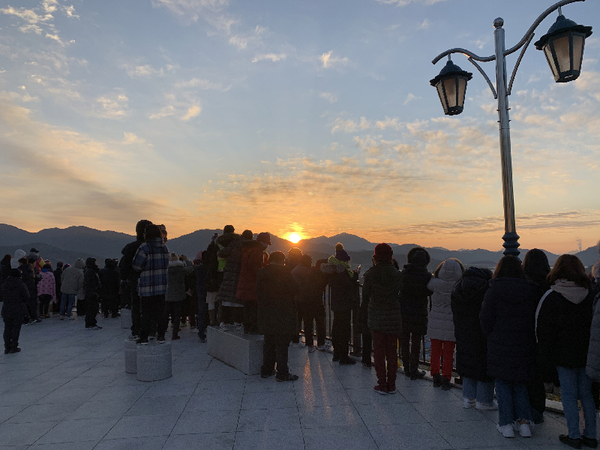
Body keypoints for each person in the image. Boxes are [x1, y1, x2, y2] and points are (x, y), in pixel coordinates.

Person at [537, 254, 597, 449]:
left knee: (569, 396)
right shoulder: (591, 295)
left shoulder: (552, 296)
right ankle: (590, 434)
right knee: (586, 395)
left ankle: (573, 435)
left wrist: (547, 358)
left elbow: (543, 331)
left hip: (562, 355)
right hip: (587, 354)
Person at [480, 256, 539, 438]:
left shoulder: (494, 290)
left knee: (503, 383)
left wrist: (492, 336)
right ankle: (524, 424)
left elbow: (485, 319)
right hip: (524, 342)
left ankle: (506, 424)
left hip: (500, 342)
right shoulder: (531, 291)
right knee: (520, 383)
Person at [452, 266, 496, 409]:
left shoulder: (457, 289)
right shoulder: (486, 289)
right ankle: (484, 400)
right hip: (482, 332)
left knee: (467, 362)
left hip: (462, 331)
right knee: (483, 365)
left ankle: (468, 398)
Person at [362, 243, 402, 395]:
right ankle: (392, 385)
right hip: (393, 316)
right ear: (391, 256)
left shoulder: (371, 274)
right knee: (392, 351)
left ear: (375, 256)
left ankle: (382, 384)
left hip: (377, 316)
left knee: (378, 351)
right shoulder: (398, 274)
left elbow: (366, 295)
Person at [257, 251, 299, 382]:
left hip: (265, 312)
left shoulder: (261, 273)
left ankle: (266, 370)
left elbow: (258, 292)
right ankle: (282, 373)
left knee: (268, 342)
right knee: (282, 343)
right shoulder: (285, 273)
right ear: (282, 260)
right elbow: (295, 289)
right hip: (283, 312)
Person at [522, 248, 552, 424]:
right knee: (537, 375)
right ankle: (538, 410)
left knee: (525, 374)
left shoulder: (524, 283)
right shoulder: (549, 284)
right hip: (544, 337)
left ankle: (526, 410)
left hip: (525, 334)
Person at [428, 258, 464, 390]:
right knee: (448, 352)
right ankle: (446, 377)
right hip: (451, 322)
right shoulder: (459, 285)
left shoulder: (435, 283)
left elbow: (428, 286)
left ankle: (435, 374)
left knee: (435, 351)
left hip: (435, 321)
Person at [321, 243, 360, 365]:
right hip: (344, 305)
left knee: (337, 329)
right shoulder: (342, 273)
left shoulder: (334, 271)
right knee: (344, 331)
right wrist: (356, 275)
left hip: (336, 304)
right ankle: (344, 357)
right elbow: (347, 285)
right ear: (343, 262)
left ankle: (337, 354)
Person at [132, 224, 170, 344]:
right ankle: (161, 335)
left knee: (146, 312)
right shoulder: (164, 248)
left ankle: (144, 337)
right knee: (161, 311)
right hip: (161, 286)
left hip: (147, 286)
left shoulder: (144, 247)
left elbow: (136, 266)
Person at [399, 247, 432, 379]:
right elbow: (429, 292)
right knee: (416, 341)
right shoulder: (427, 277)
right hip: (419, 313)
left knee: (405, 340)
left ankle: (406, 367)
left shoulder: (404, 274)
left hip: (404, 312)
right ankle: (414, 369)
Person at [119, 219, 153, 340]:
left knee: (136, 305)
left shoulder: (132, 246)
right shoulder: (152, 246)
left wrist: (124, 279)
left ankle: (136, 330)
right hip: (151, 281)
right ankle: (150, 330)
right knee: (149, 306)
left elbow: (125, 264)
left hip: (135, 281)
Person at [237, 232, 270, 334]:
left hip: (245, 282)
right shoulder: (257, 250)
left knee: (247, 306)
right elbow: (253, 266)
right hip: (252, 283)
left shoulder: (248, 249)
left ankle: (247, 327)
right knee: (254, 307)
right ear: (263, 242)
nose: (267, 246)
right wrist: (261, 274)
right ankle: (254, 328)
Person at [215, 225, 243, 330]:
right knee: (237, 298)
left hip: (224, 272)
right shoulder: (240, 243)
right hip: (239, 272)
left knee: (225, 298)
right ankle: (238, 321)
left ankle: (225, 321)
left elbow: (221, 254)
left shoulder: (219, 242)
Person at [2, 258, 29, 353]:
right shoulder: (21, 284)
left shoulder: (5, 284)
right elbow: (27, 296)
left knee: (7, 328)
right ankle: (14, 345)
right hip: (18, 309)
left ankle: (6, 346)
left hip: (6, 309)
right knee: (16, 328)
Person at [166, 252, 193, 340]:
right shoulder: (181, 268)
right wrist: (187, 260)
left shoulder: (166, 269)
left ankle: (162, 331)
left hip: (168, 293)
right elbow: (190, 269)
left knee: (166, 313)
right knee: (177, 313)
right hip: (179, 293)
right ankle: (175, 333)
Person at [83, 258, 102, 330]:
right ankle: (91, 323)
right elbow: (91, 283)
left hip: (90, 293)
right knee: (92, 309)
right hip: (91, 294)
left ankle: (91, 323)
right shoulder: (91, 272)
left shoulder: (89, 271)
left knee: (91, 309)